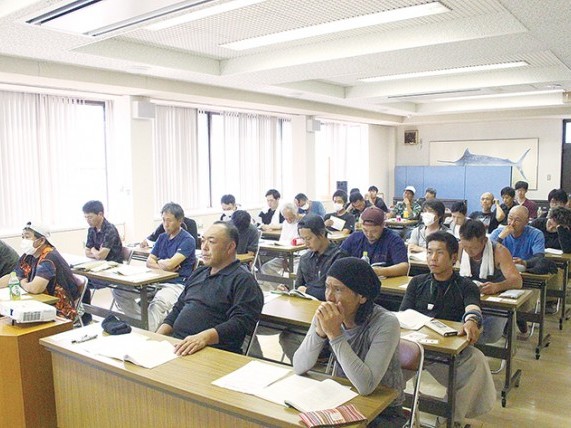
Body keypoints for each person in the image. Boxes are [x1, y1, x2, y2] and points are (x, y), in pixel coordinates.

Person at [293, 258, 406, 427]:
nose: (329, 297)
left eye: (338, 289)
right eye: (327, 287)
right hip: (341, 397)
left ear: (362, 296)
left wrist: (334, 335)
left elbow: (366, 386)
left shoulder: (385, 323)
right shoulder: (328, 314)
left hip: (384, 410)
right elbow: (298, 366)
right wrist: (319, 333)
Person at [399, 232, 495, 424]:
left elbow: (473, 308)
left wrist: (471, 320)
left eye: (440, 253)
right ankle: (390, 409)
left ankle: (450, 418)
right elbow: (403, 315)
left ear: (453, 258)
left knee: (476, 360)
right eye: (429, 252)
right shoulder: (417, 282)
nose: (433, 258)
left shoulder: (466, 285)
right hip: (414, 349)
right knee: (384, 360)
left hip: (445, 354)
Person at [156, 222, 263, 355]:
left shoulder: (243, 280)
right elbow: (178, 308)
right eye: (202, 241)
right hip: (179, 345)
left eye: (211, 242)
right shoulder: (199, 273)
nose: (204, 248)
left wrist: (205, 337)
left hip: (213, 350)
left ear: (230, 247)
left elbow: (241, 323)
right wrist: (157, 337)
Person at [113, 202, 196, 332]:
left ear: (180, 221)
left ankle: (148, 332)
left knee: (158, 303)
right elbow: (149, 262)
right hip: (155, 281)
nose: (165, 224)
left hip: (176, 284)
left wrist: (161, 263)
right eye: (163, 220)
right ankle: (143, 325)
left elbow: (171, 264)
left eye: (169, 220)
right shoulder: (162, 237)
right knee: (119, 291)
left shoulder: (187, 239)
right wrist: (163, 264)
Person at [278, 215, 349, 361]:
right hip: (306, 314)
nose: (305, 243)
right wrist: (288, 291)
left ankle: (317, 363)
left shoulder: (340, 258)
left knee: (293, 338)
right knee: (286, 336)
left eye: (309, 238)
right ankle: (306, 366)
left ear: (321, 234)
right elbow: (299, 288)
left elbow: (336, 295)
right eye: (303, 239)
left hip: (330, 316)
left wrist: (308, 290)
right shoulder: (305, 258)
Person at [459, 220, 523, 343]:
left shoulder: (499, 251)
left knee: (490, 334)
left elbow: (517, 281)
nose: (469, 252)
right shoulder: (460, 248)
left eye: (473, 248)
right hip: (470, 297)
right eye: (465, 247)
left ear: (484, 241)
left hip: (495, 300)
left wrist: (497, 286)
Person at [0, 223, 79, 320]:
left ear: (41, 240)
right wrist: (21, 281)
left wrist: (22, 282)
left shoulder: (49, 257)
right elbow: (12, 276)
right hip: (38, 304)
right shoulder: (28, 255)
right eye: (23, 237)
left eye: (27, 237)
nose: (24, 240)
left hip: (59, 310)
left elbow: (35, 288)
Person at [490, 205, 545, 335]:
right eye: (510, 218)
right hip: (502, 275)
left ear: (526, 222)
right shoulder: (498, 232)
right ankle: (506, 322)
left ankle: (519, 319)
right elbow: (488, 254)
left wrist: (524, 262)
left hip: (525, 276)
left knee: (521, 304)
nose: (512, 223)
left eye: (517, 220)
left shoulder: (535, 234)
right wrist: (501, 238)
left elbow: (539, 257)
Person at [82, 200, 123, 324]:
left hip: (112, 269)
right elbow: (87, 252)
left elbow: (101, 255)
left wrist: (93, 250)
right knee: (79, 280)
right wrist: (95, 251)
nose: (88, 220)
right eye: (85, 217)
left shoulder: (110, 229)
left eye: (90, 217)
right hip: (98, 267)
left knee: (83, 282)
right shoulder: (91, 230)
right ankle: (85, 317)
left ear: (100, 214)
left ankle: (86, 317)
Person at [341, 207, 408, 277]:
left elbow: (404, 267)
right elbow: (339, 257)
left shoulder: (393, 240)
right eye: (365, 230)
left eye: (374, 231)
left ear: (383, 225)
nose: (369, 235)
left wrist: (379, 271)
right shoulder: (354, 238)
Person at [259, 203, 300, 290]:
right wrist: (284, 258)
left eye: (291, 217)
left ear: (295, 214)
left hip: (298, 256)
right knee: (266, 267)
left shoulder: (301, 224)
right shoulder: (285, 223)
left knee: (296, 274)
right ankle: (283, 287)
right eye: (286, 218)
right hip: (285, 254)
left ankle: (289, 287)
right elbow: (282, 242)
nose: (288, 220)